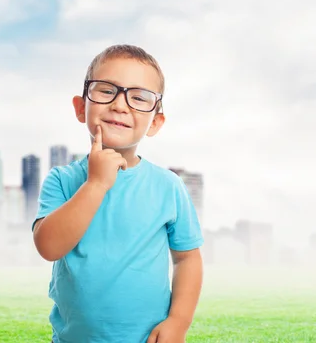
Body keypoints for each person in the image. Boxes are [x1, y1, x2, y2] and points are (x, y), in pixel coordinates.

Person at [32, 44, 204, 343]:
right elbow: (49, 247)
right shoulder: (61, 180)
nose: (120, 105)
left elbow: (187, 259)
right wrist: (95, 184)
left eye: (139, 98)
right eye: (106, 90)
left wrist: (179, 321)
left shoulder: (168, 186)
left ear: (156, 123)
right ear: (80, 107)